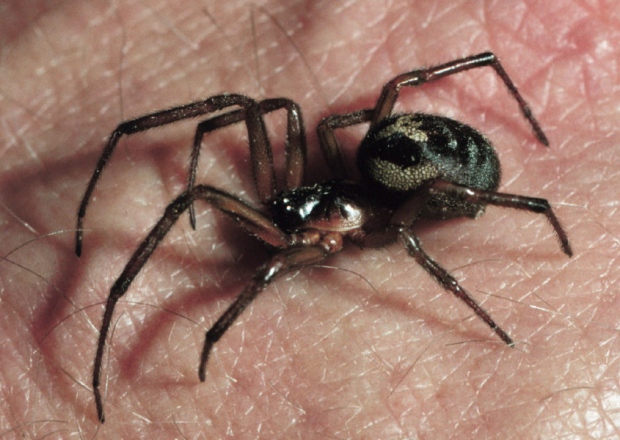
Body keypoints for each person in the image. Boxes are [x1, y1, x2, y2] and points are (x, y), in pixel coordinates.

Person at [1, 1, 616, 437]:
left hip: (439, 179)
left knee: (285, 261)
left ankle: (205, 336)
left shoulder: (372, 221)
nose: (280, 207)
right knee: (252, 113)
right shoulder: (306, 178)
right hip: (395, 165)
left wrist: (213, 335)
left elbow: (391, 229)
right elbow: (246, 114)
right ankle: (119, 292)